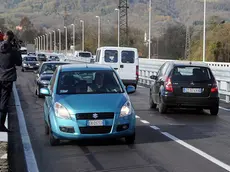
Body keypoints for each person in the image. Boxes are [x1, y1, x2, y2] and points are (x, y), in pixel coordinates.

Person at [0, 30, 22, 132]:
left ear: (4, 37)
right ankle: (1, 124)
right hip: (7, 78)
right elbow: (19, 63)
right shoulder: (13, 51)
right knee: (4, 101)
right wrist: (17, 50)